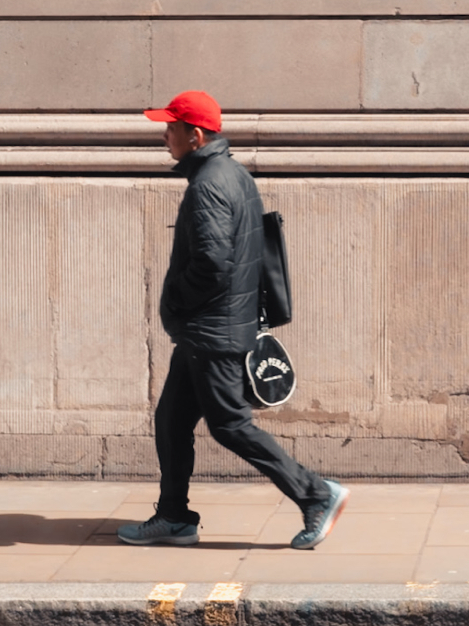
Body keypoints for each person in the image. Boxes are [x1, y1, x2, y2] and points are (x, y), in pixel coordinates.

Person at [118, 90, 348, 551]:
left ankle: (316, 494)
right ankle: (174, 517)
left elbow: (212, 263)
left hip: (211, 330)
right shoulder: (233, 175)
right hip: (209, 329)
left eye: (171, 128)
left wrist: (176, 299)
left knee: (230, 425)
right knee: (170, 421)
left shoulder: (209, 185)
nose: (165, 136)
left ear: (195, 135)